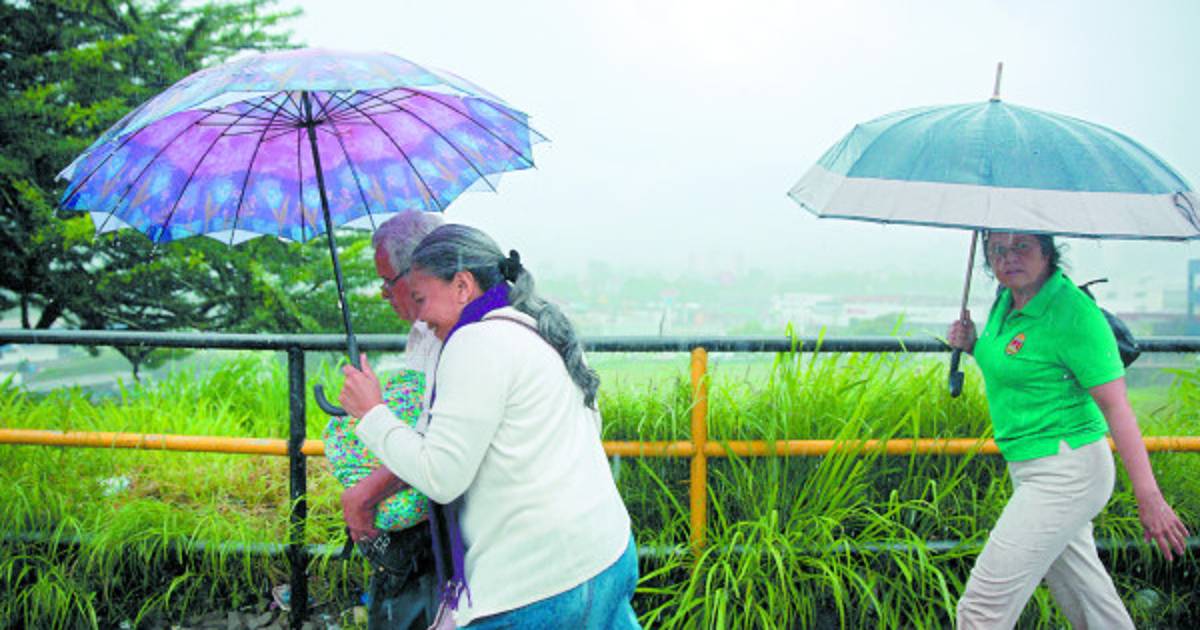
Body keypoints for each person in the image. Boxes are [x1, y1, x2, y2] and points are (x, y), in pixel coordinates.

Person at [338, 224, 640, 629]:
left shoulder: (475, 341)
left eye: (421, 298)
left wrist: (372, 413)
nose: (420, 317)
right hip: (606, 553)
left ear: (463, 285)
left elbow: (441, 476)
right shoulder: (540, 323)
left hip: (535, 584)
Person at [947, 231, 1190, 629]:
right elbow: (1018, 365)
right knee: (1088, 601)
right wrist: (974, 345)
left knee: (982, 609)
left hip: (1066, 471)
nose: (1008, 257)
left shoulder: (1074, 314)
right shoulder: (1007, 301)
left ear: (1047, 251)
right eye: (997, 249)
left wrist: (1149, 497)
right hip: (1031, 466)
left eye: (1021, 246)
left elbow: (1116, 406)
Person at [322, 210, 444, 629]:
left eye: (387, 282)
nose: (382, 294)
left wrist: (363, 496)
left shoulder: (457, 337)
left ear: (418, 275)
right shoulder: (425, 332)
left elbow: (435, 443)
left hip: (438, 525)